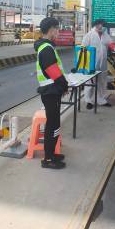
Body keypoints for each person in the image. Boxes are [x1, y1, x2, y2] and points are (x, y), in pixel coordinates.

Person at [34, 17, 68, 169]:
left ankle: (52, 154)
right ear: (51, 30)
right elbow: (53, 71)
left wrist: (62, 85)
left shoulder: (47, 47)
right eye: (57, 29)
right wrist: (64, 84)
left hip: (52, 91)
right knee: (52, 125)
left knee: (55, 124)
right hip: (50, 92)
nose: (58, 32)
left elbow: (54, 70)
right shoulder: (46, 49)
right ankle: (48, 159)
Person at [82, 19, 115, 109]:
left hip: (103, 64)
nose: (100, 26)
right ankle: (89, 101)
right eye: (98, 25)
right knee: (90, 82)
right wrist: (84, 64)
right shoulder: (89, 35)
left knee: (102, 82)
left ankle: (100, 100)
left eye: (102, 25)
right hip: (91, 63)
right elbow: (83, 49)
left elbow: (111, 45)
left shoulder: (105, 35)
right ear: (95, 25)